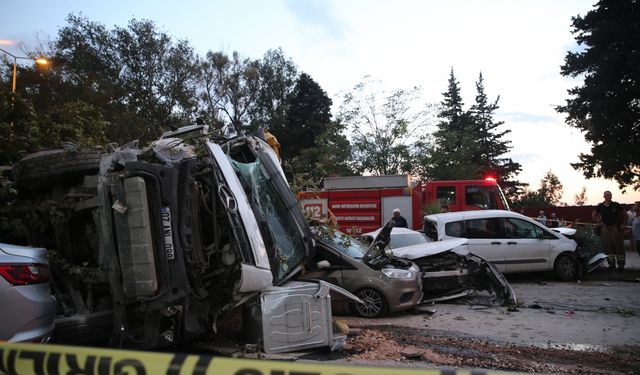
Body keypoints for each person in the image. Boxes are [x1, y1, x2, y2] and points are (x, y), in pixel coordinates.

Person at [592, 191, 627, 271]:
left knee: (619, 246)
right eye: (607, 195)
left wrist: (624, 224)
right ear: (604, 196)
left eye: (610, 195)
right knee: (607, 246)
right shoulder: (600, 206)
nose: (609, 196)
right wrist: (598, 222)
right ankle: (611, 264)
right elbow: (593, 215)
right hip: (605, 228)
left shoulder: (616, 205)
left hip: (615, 227)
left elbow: (626, 215)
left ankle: (621, 265)